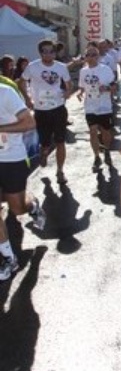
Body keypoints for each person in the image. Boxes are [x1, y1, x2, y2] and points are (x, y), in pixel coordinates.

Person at [0, 83, 46, 282]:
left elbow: (29, 123)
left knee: (17, 208)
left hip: (11, 159)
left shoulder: (5, 92)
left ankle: (32, 204)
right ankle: (8, 259)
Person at [19, 39, 72, 184]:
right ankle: (44, 153)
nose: (48, 54)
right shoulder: (32, 67)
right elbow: (21, 82)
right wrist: (28, 99)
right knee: (45, 143)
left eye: (51, 51)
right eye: (45, 51)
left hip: (58, 109)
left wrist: (68, 92)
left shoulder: (61, 67)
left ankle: (60, 172)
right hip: (41, 110)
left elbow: (69, 84)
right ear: (40, 53)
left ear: (55, 53)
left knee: (60, 141)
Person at [76, 46, 116, 172]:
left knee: (105, 132)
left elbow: (114, 86)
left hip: (104, 107)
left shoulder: (105, 69)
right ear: (85, 57)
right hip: (90, 106)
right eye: (88, 55)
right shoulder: (83, 71)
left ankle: (107, 150)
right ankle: (97, 156)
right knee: (92, 131)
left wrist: (107, 88)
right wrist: (80, 92)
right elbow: (82, 86)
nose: (91, 57)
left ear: (98, 57)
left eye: (94, 55)